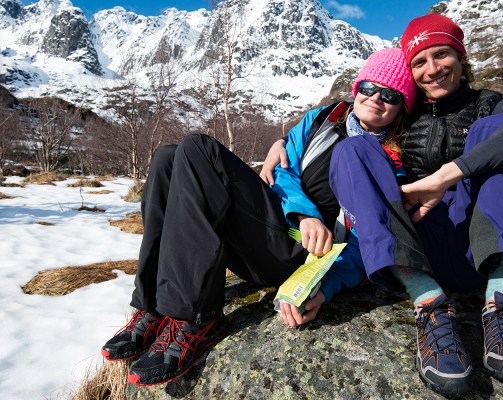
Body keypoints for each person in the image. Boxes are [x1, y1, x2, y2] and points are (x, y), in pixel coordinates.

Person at [261, 14, 503, 397]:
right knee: (354, 149)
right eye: (419, 61)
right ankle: (430, 308)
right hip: (419, 255)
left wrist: (446, 176)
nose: (432, 69)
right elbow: (352, 134)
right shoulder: (402, 116)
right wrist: (282, 143)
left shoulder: (488, 104)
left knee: (497, 131)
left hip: (480, 246)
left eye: (442, 55)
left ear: (461, 57)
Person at [100, 47, 417, 387]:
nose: (375, 99)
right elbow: (285, 171)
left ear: (402, 107)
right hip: (276, 228)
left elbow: (370, 238)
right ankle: (154, 306)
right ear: (358, 87)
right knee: (168, 157)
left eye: (390, 95)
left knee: (198, 148)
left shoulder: (391, 160)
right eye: (369, 87)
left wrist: (323, 287)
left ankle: (197, 318)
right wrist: (304, 212)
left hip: (305, 258)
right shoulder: (324, 119)